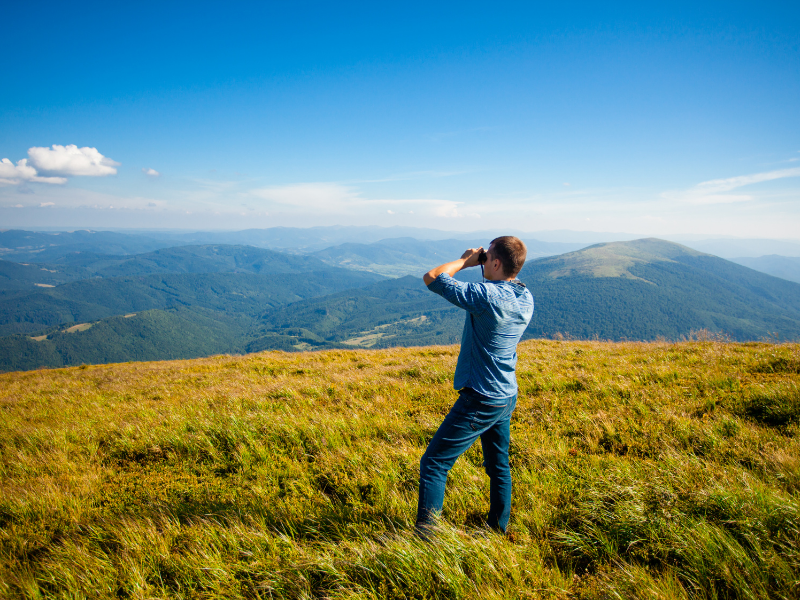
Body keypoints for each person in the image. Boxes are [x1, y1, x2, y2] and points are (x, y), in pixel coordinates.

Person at [416, 236, 534, 536]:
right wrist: (484, 264)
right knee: (498, 466)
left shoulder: (487, 296)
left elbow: (433, 277)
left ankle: (426, 539)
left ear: (495, 262)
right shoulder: (525, 296)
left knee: (433, 464)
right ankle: (498, 528)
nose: (483, 259)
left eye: (488, 256)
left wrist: (467, 261)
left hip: (480, 396)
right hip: (506, 394)